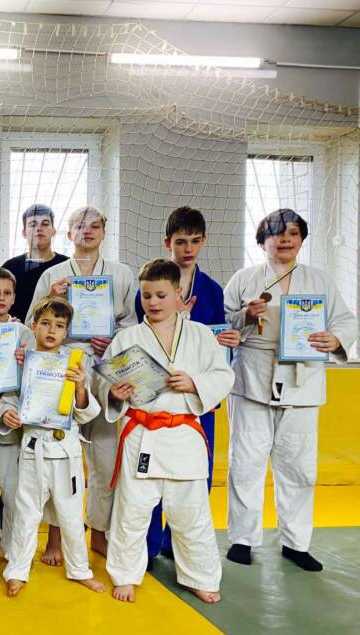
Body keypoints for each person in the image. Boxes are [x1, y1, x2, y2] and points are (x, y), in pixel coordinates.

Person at [224, 209, 356, 571]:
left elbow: (345, 320)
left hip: (303, 380)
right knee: (246, 463)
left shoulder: (319, 279)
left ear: (302, 239)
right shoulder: (244, 279)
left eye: (293, 233)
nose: (284, 239)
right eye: (276, 232)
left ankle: (296, 543)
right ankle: (242, 539)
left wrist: (335, 339)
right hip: (252, 378)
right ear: (262, 240)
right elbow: (223, 323)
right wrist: (246, 317)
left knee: (298, 467)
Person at [99, 259, 234, 604]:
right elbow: (105, 382)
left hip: (184, 434)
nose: (153, 302)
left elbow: (223, 376)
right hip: (141, 434)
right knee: (131, 511)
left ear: (178, 294)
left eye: (161, 295)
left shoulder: (201, 334)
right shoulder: (127, 338)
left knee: (191, 513)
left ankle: (200, 576)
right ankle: (125, 575)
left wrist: (195, 382)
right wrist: (114, 394)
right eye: (147, 296)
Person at [27, 205, 137, 562]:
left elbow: (134, 326)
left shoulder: (122, 274)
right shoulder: (54, 274)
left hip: (105, 366)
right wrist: (52, 298)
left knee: (105, 457)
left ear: (104, 232)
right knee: (59, 456)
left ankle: (99, 532)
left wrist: (114, 339)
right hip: (61, 367)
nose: (87, 231)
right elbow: (31, 323)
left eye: (94, 226)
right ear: (69, 233)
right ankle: (55, 539)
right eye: (79, 225)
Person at [135, 206, 240, 564]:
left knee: (196, 474)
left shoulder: (212, 290)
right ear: (168, 243)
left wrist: (227, 339)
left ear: (204, 242)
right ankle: (148, 545)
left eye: (195, 241)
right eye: (181, 241)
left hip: (195, 397)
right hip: (156, 395)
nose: (188, 248)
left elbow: (216, 350)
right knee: (148, 473)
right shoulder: (149, 284)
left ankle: (175, 543)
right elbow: (141, 336)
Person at [0, 296, 104, 596]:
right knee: (26, 513)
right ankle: (17, 570)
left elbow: (85, 411)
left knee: (71, 514)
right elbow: (8, 399)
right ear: (33, 326)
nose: (51, 330)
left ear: (66, 331)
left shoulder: (74, 364)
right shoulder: (23, 362)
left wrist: (81, 386)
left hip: (66, 450)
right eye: (45, 323)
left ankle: (79, 569)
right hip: (34, 447)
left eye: (59, 326)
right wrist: (7, 414)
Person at [0, 267, 34, 556]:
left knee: (12, 490)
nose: (1, 298)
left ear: (14, 298)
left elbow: (38, 378)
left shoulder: (24, 333)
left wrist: (27, 360)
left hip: (12, 421)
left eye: (7, 293)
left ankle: (13, 547)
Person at [0, 204, 68, 323]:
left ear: (54, 231)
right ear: (24, 232)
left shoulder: (66, 265)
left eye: (45, 224)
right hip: (18, 332)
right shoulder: (10, 267)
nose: (39, 228)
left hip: (57, 332)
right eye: (33, 224)